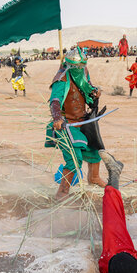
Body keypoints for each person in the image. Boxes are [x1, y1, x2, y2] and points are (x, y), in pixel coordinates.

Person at [45, 47, 107, 199]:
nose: (80, 69)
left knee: (95, 149)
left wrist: (95, 92)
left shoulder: (84, 73)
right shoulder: (61, 78)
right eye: (77, 67)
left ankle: (94, 178)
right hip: (66, 124)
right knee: (74, 159)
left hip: (83, 121)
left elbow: (88, 89)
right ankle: (62, 193)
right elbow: (55, 100)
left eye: (82, 66)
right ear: (70, 65)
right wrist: (57, 118)